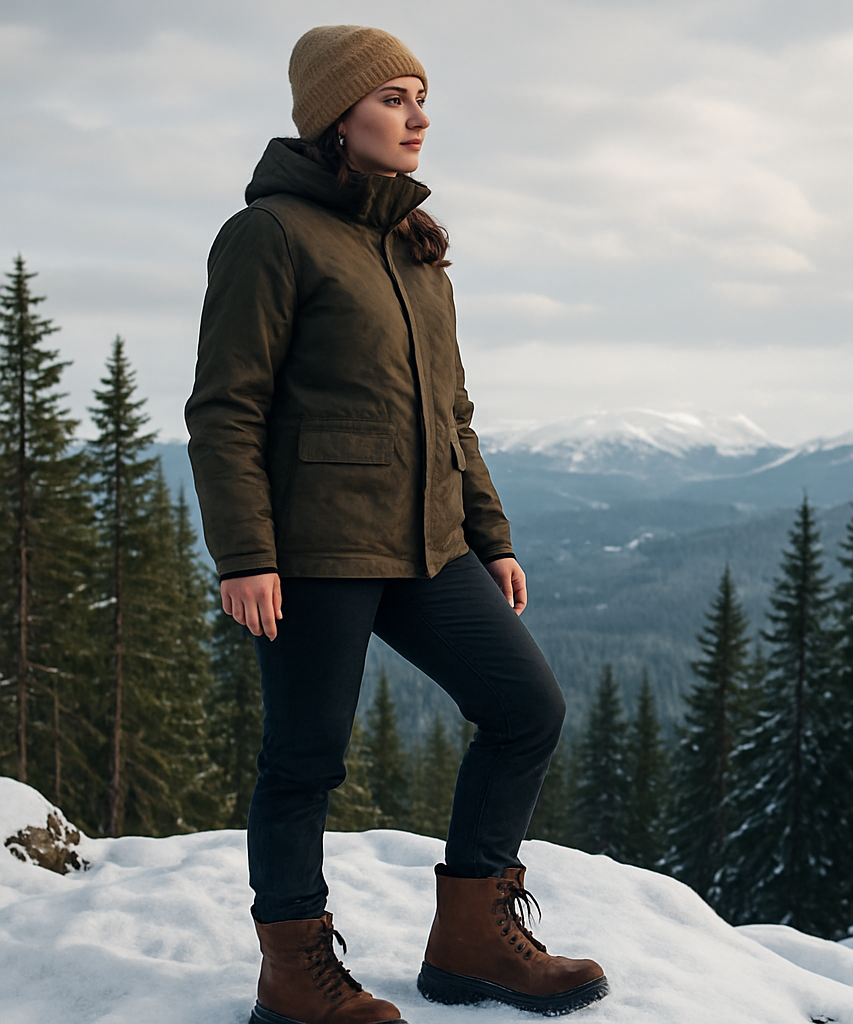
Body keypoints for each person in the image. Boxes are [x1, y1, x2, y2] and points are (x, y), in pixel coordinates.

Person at [185, 24, 608, 1024]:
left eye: (422, 99)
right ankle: (295, 977)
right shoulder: (272, 233)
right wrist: (245, 552)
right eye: (393, 99)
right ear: (338, 115)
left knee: (525, 708)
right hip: (314, 548)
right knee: (305, 756)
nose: (417, 118)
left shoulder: (418, 252)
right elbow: (226, 405)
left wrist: (491, 535)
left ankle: (470, 939)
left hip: (428, 545)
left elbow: (452, 416)